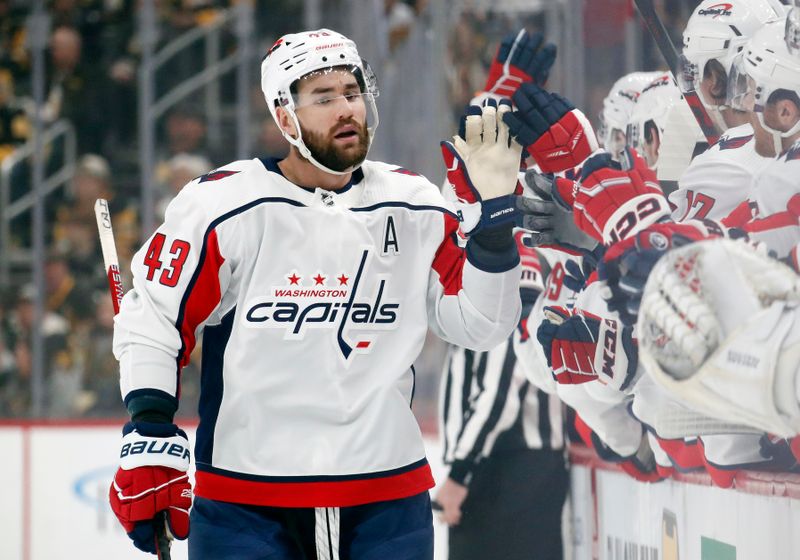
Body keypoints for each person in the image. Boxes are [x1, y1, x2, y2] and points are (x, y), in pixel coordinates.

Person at [108, 28, 524, 559]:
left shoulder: (413, 202)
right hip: (246, 503)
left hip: (387, 501)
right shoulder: (223, 206)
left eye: (351, 93)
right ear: (284, 117)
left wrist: (493, 236)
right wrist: (149, 426)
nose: (346, 109)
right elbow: (154, 321)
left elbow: (481, 325)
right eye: (323, 99)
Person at [436, 231, 567, 560]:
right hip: (504, 470)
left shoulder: (502, 260)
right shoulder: (494, 251)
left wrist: (459, 474)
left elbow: (500, 390)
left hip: (506, 473)